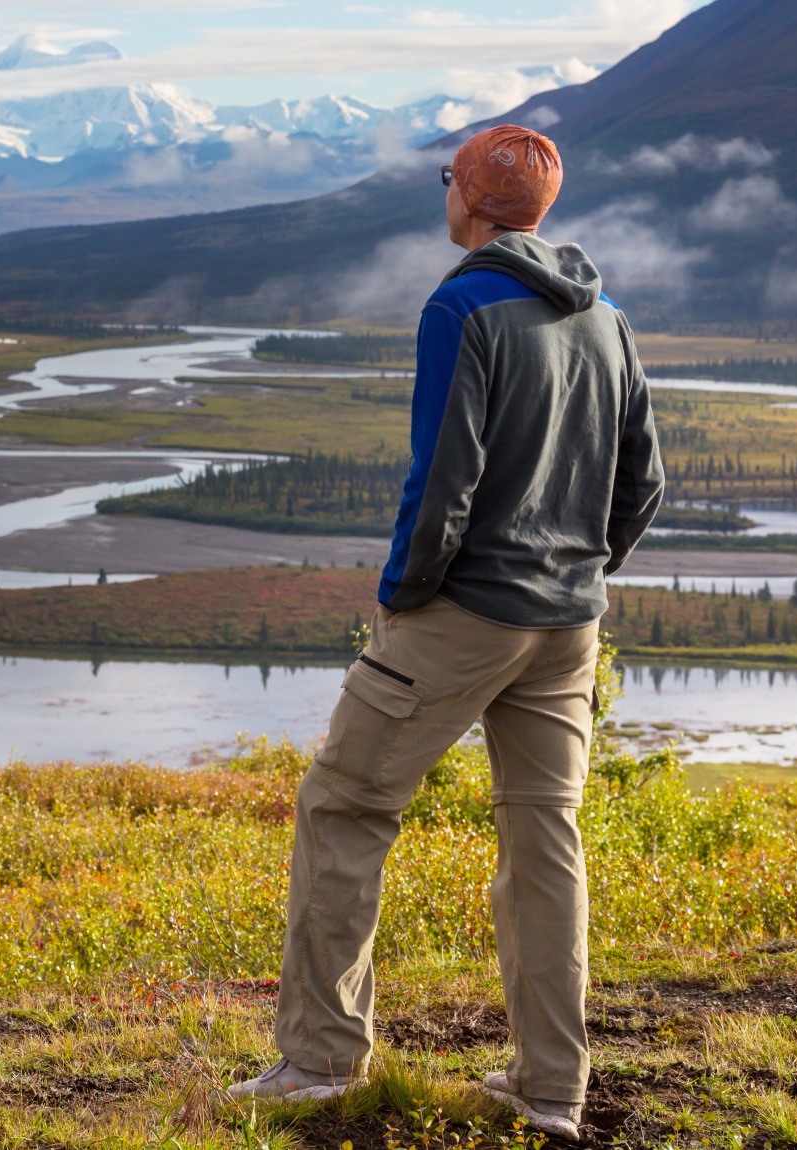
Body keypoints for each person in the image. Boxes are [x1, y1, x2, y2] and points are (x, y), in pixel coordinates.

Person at [226, 123, 666, 1141]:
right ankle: (550, 1089)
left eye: (446, 182)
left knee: (343, 805)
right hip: (567, 625)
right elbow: (642, 483)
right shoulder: (606, 315)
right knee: (543, 839)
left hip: (462, 613)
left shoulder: (458, 304)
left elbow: (442, 483)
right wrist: (580, 571)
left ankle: (319, 1061)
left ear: (466, 199)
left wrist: (404, 596)